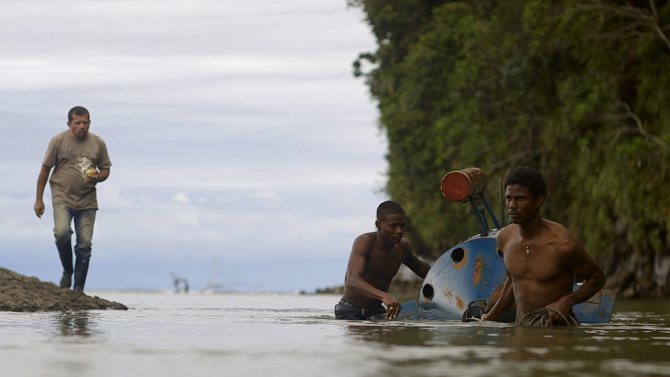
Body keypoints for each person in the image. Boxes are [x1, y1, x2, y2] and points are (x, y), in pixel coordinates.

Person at [481, 167, 605, 325]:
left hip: (555, 331)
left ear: (538, 200)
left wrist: (566, 302)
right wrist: (489, 318)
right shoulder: (504, 239)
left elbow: (597, 279)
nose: (512, 205)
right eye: (508, 198)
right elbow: (514, 280)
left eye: (520, 199)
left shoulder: (563, 243)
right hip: (521, 329)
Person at [34, 106, 112, 293]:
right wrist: (39, 199)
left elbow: (106, 170)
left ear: (89, 123)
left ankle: (78, 289)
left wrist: (98, 177)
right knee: (62, 233)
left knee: (84, 245)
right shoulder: (58, 141)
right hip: (62, 195)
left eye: (85, 122)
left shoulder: (98, 143)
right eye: (77, 123)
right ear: (69, 124)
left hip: (87, 200)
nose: (82, 126)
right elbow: (45, 170)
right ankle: (68, 270)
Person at [335, 201, 431, 320]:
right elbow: (352, 280)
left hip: (377, 311)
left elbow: (421, 269)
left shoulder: (403, 247)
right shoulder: (364, 242)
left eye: (402, 226)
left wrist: (446, 278)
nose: (399, 231)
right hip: (350, 311)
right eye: (393, 226)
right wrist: (383, 296)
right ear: (378, 224)